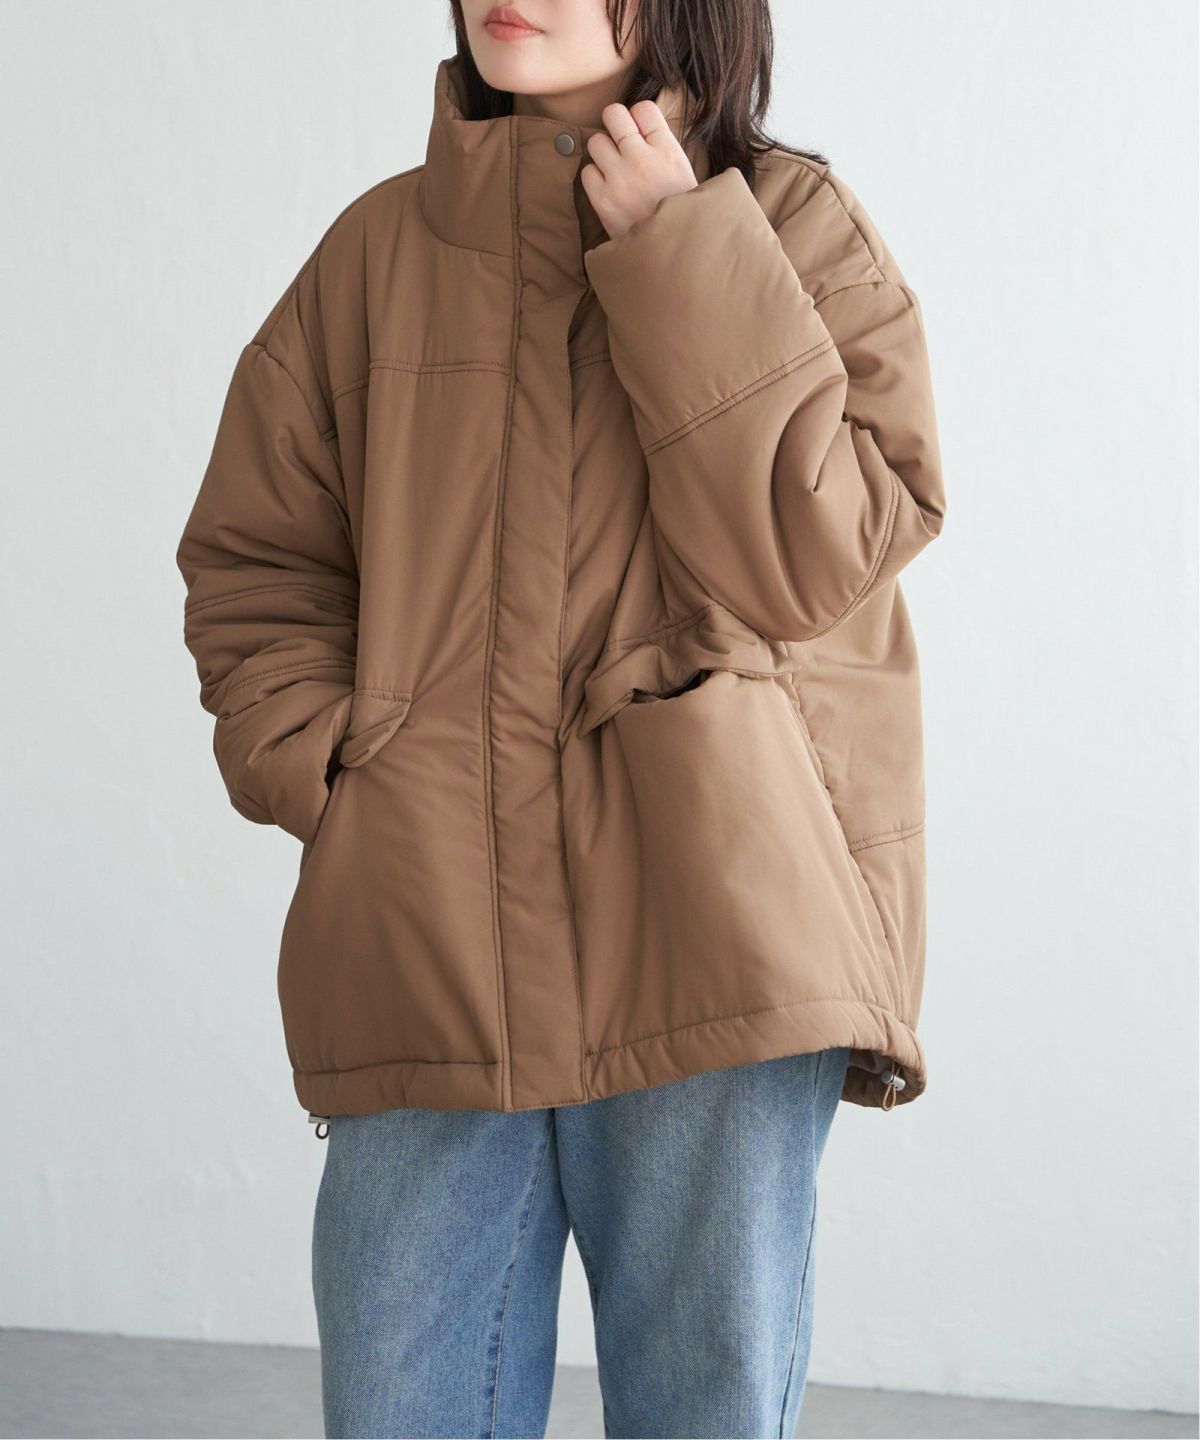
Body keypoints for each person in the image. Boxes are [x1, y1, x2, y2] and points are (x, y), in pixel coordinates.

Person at [176, 0, 946, 1434]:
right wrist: (343, 776)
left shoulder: (788, 227)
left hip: (715, 930)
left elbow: (817, 558)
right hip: (429, 930)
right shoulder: (376, 257)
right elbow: (256, 563)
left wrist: (683, 251)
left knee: (706, 1411)